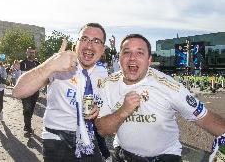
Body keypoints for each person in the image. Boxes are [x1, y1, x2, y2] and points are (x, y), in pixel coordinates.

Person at [95, 34, 225, 162]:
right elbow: (102, 130)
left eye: (140, 53)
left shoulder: (170, 86)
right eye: (126, 52)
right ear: (119, 58)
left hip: (164, 157)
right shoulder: (108, 84)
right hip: (123, 156)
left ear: (149, 60)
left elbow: (204, 117)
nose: (132, 58)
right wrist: (123, 111)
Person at [13, 23, 109, 162]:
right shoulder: (60, 62)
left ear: (102, 49)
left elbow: (103, 104)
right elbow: (18, 91)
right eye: (84, 39)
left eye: (96, 41)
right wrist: (50, 66)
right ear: (76, 44)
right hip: (57, 137)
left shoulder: (102, 72)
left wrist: (98, 108)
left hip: (87, 136)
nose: (89, 45)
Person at [19, 47, 40, 137]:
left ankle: (28, 125)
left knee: (31, 109)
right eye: (30, 52)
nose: (32, 54)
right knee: (27, 108)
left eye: (33, 53)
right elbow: (22, 76)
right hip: (25, 90)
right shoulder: (22, 63)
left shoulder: (38, 63)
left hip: (35, 90)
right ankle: (28, 128)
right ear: (26, 53)